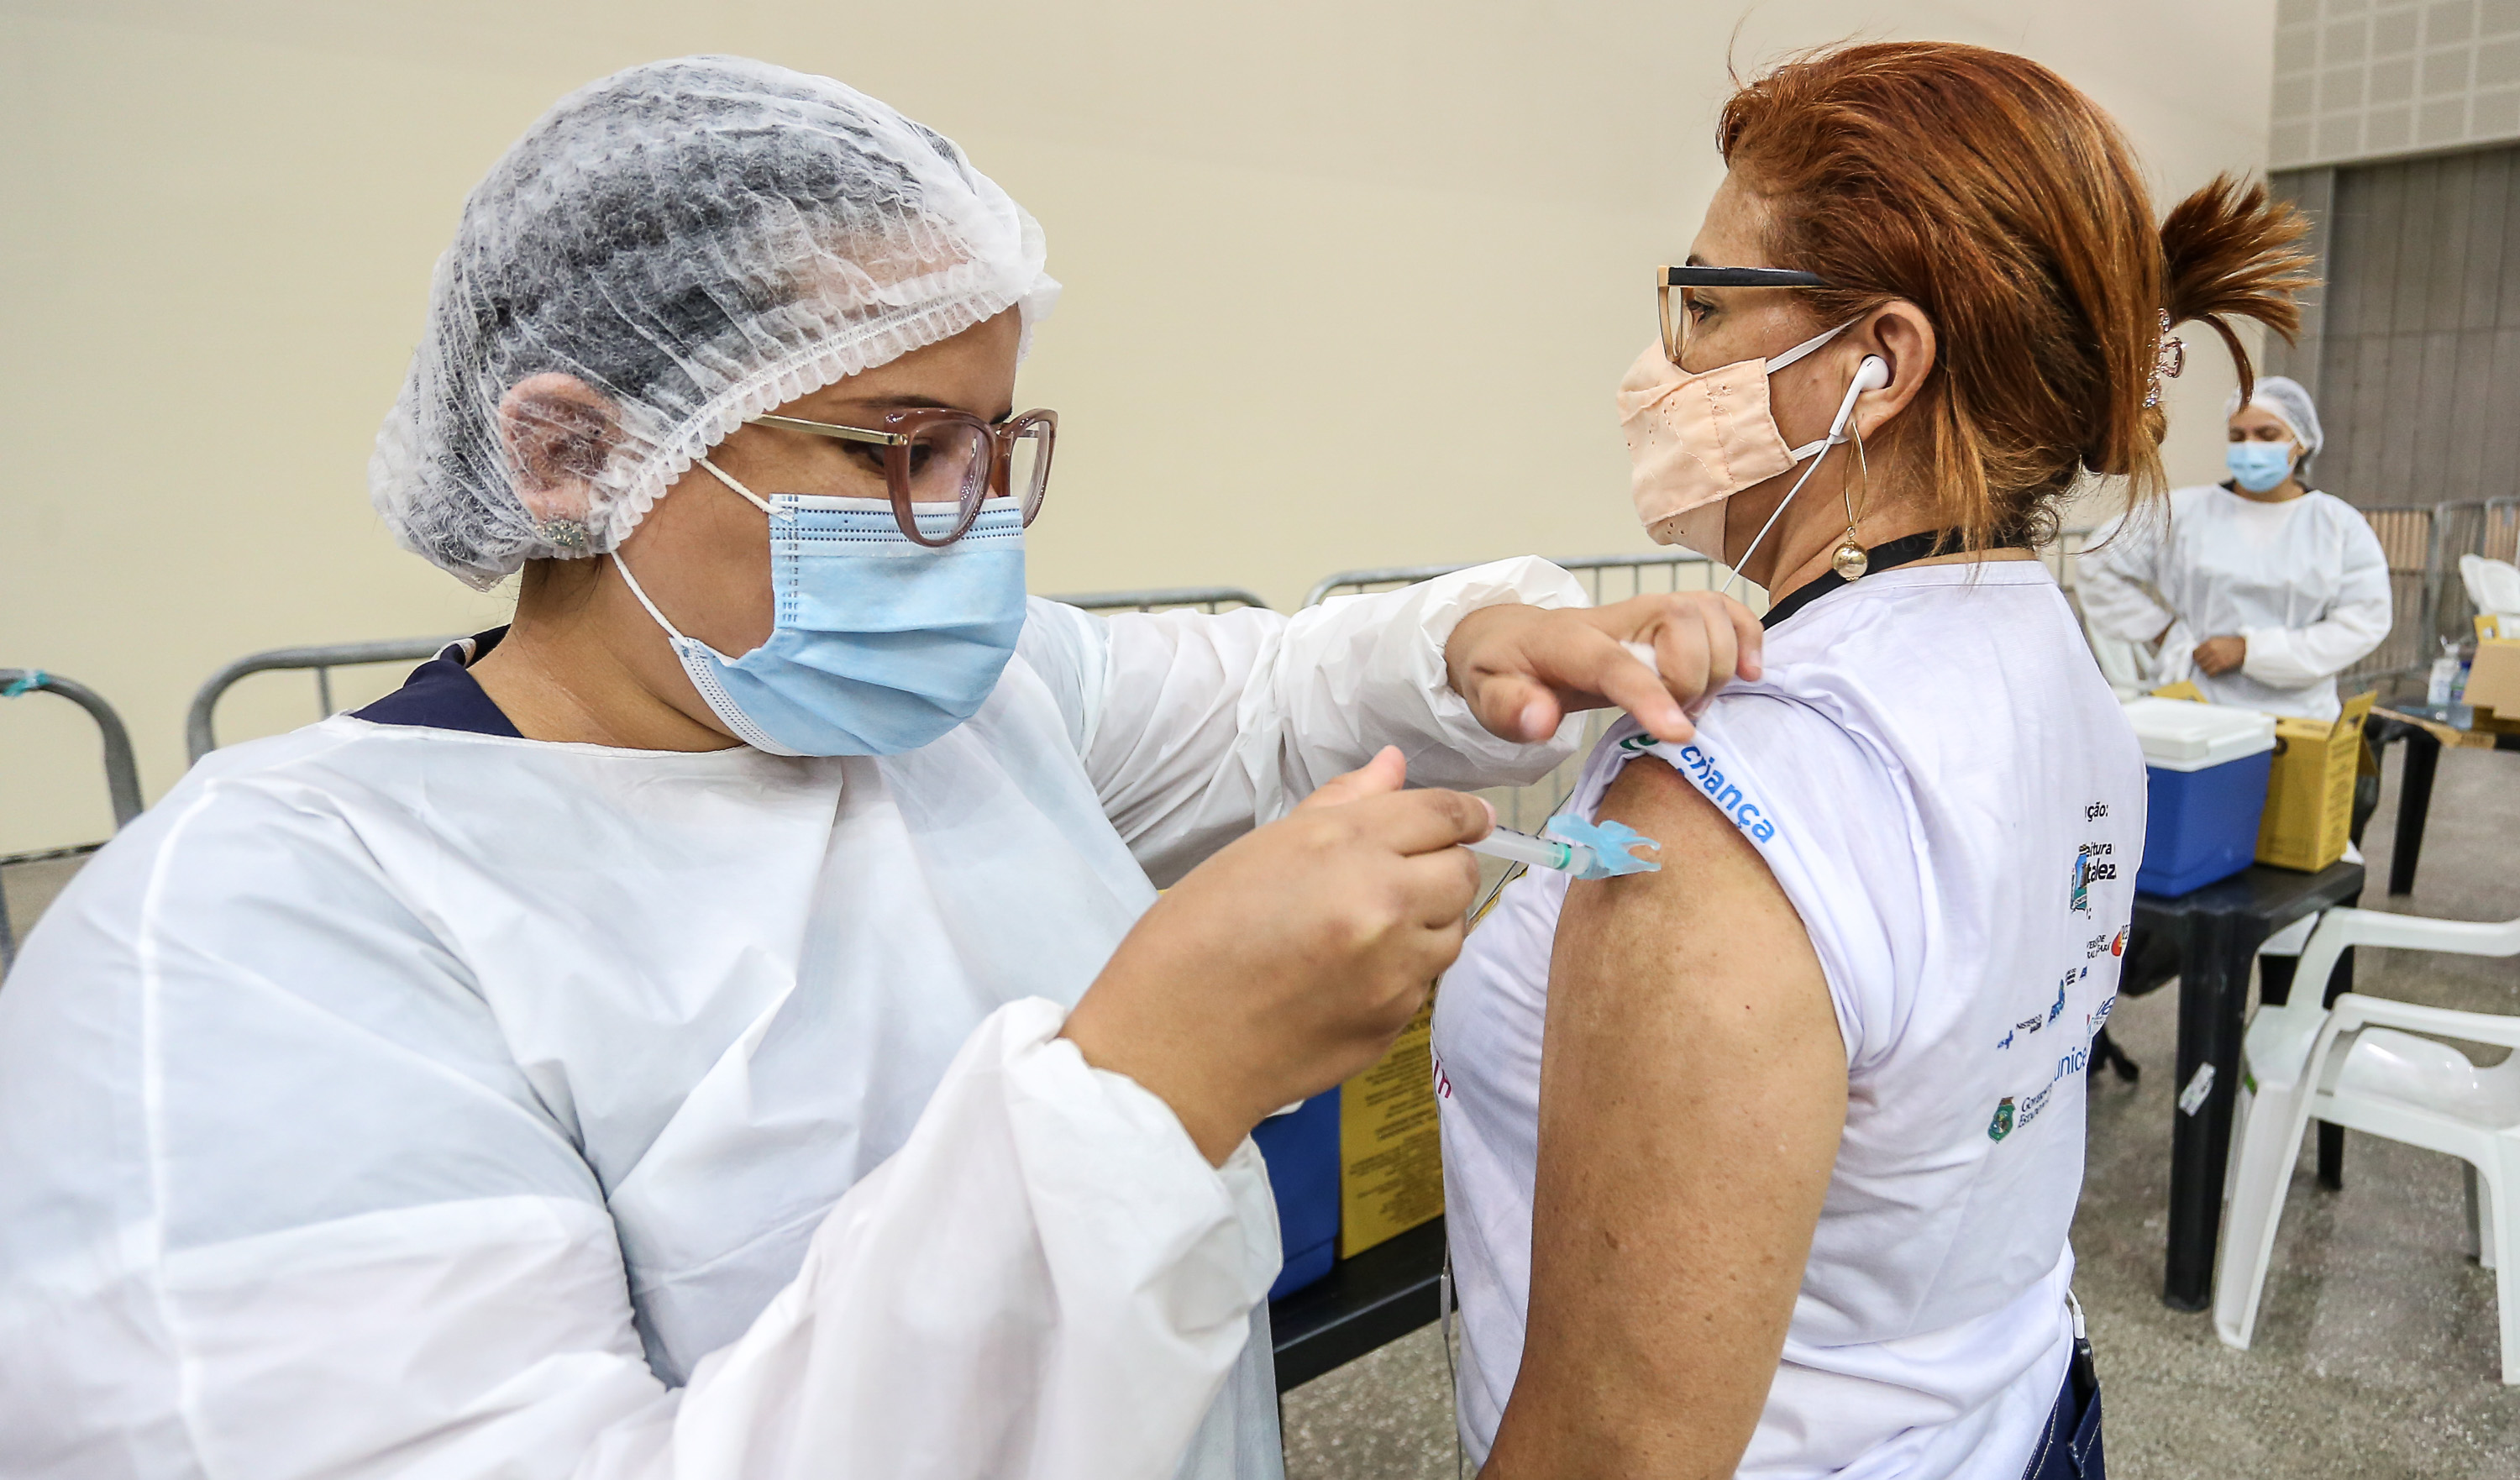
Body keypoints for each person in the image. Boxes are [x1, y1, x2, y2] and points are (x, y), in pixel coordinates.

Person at [0, 57, 1765, 1480]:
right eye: (908, 446)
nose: (976, 519)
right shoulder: (258, 937)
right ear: (573, 452)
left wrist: (1462, 646)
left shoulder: (942, 712)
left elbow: (1260, 694)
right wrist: (1141, 1090)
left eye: (999, 442)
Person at [1430, 42, 2312, 1479]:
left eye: (1700, 307)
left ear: (1878, 361)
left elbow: (1618, 1450)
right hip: (2011, 1414)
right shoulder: (2047, 651)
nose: (1662, 364)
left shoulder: (1724, 810)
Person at [2082, 375, 2391, 721]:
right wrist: (2164, 631)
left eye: (2267, 435)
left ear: (2301, 442)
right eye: (2238, 436)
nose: (2250, 446)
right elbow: (2098, 562)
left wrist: (2252, 651)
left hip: (2299, 716)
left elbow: (2365, 618)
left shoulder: (2337, 524)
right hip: (2196, 705)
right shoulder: (2184, 512)